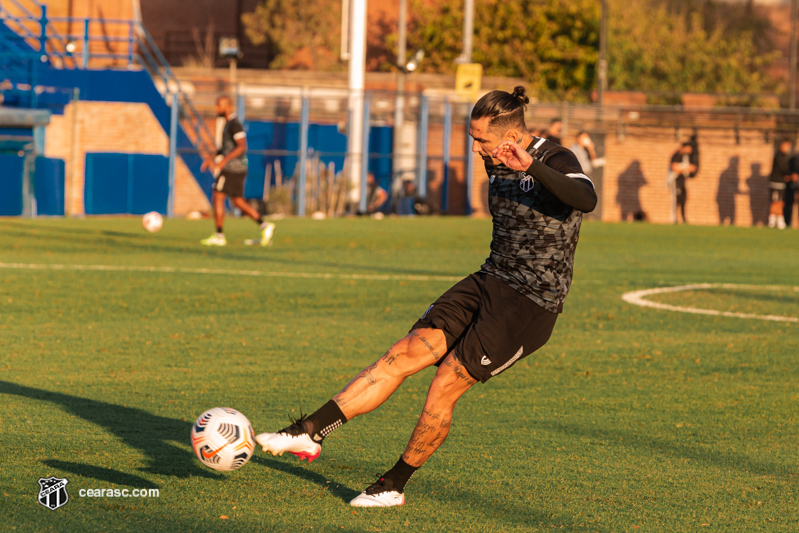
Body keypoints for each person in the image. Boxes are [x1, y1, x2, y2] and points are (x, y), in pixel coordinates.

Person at [254, 86, 597, 508]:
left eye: (480, 139)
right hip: (489, 279)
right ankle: (309, 431)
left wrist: (532, 166)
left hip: (530, 303)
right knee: (406, 352)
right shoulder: (495, 161)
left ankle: (393, 485)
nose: (475, 148)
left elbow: (586, 198)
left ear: (509, 138)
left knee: (445, 381)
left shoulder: (555, 158)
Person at [200, 95, 275, 246]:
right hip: (237, 168)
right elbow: (226, 147)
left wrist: (224, 161)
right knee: (237, 201)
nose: (217, 109)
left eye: (219, 106)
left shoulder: (234, 123)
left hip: (231, 168)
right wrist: (211, 158)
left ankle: (219, 236)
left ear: (228, 106)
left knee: (218, 196)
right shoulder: (228, 123)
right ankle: (265, 226)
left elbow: (242, 146)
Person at [667, 142, 697, 224]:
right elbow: (674, 168)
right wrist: (686, 168)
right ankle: (673, 219)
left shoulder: (685, 157)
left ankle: (683, 218)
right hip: (675, 181)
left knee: (683, 200)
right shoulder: (676, 155)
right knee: (675, 200)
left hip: (682, 181)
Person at [768, 139, 791, 229]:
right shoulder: (779, 156)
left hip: (781, 183)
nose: (788, 148)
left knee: (780, 202)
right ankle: (772, 221)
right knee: (775, 202)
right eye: (787, 146)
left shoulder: (785, 156)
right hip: (775, 183)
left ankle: (779, 220)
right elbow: (783, 168)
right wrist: (789, 174)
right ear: (782, 145)